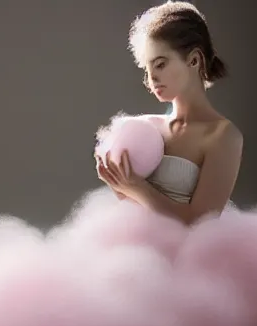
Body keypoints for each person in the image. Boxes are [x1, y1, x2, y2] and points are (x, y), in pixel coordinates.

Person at [96, 1, 243, 226]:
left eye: (160, 65)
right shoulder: (145, 126)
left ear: (194, 60)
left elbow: (200, 223)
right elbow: (131, 207)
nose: (151, 78)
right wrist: (118, 183)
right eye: (147, 68)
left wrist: (136, 188)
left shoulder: (223, 136)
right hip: (139, 245)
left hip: (194, 254)